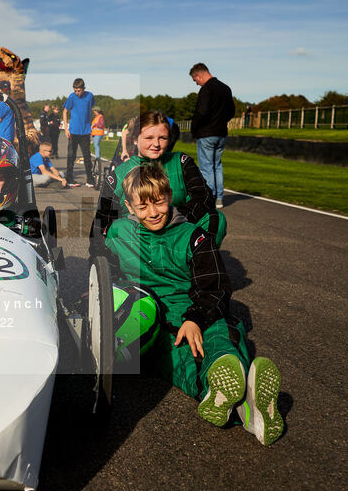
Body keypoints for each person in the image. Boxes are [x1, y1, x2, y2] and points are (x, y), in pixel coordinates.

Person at [104, 165, 284, 445]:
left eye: (159, 203)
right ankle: (233, 396)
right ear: (129, 206)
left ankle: (227, 380)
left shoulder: (194, 236)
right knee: (175, 359)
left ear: (169, 196)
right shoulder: (117, 234)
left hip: (199, 311)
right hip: (153, 320)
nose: (153, 213)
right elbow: (108, 276)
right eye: (143, 207)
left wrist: (195, 319)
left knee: (221, 335)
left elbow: (215, 286)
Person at [112, 111, 226, 245]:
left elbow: (203, 198)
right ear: (135, 140)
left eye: (162, 138)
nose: (156, 144)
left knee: (216, 218)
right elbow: (104, 217)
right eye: (149, 138)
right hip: (138, 237)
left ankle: (200, 260)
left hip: (177, 230)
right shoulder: (119, 173)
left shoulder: (182, 161)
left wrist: (171, 221)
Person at [189, 63, 235, 209]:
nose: (196, 83)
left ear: (199, 75)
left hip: (206, 133)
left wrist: (194, 128)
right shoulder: (225, 88)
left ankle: (209, 198)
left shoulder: (206, 89)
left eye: (195, 80)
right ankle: (219, 198)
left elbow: (201, 112)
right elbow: (231, 112)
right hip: (221, 132)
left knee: (206, 167)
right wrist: (221, 122)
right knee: (217, 165)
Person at [62, 78, 95, 187]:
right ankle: (70, 179)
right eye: (75, 90)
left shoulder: (90, 96)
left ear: (83, 89)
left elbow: (89, 111)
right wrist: (66, 128)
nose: (77, 93)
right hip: (73, 132)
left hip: (85, 132)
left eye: (79, 90)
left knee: (87, 157)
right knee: (71, 156)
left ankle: (90, 180)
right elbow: (65, 111)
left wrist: (91, 126)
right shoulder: (72, 97)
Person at [0, 80, 15, 144]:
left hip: (3, 134)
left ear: (0, 90)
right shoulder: (12, 101)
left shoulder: (3, 104)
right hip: (11, 133)